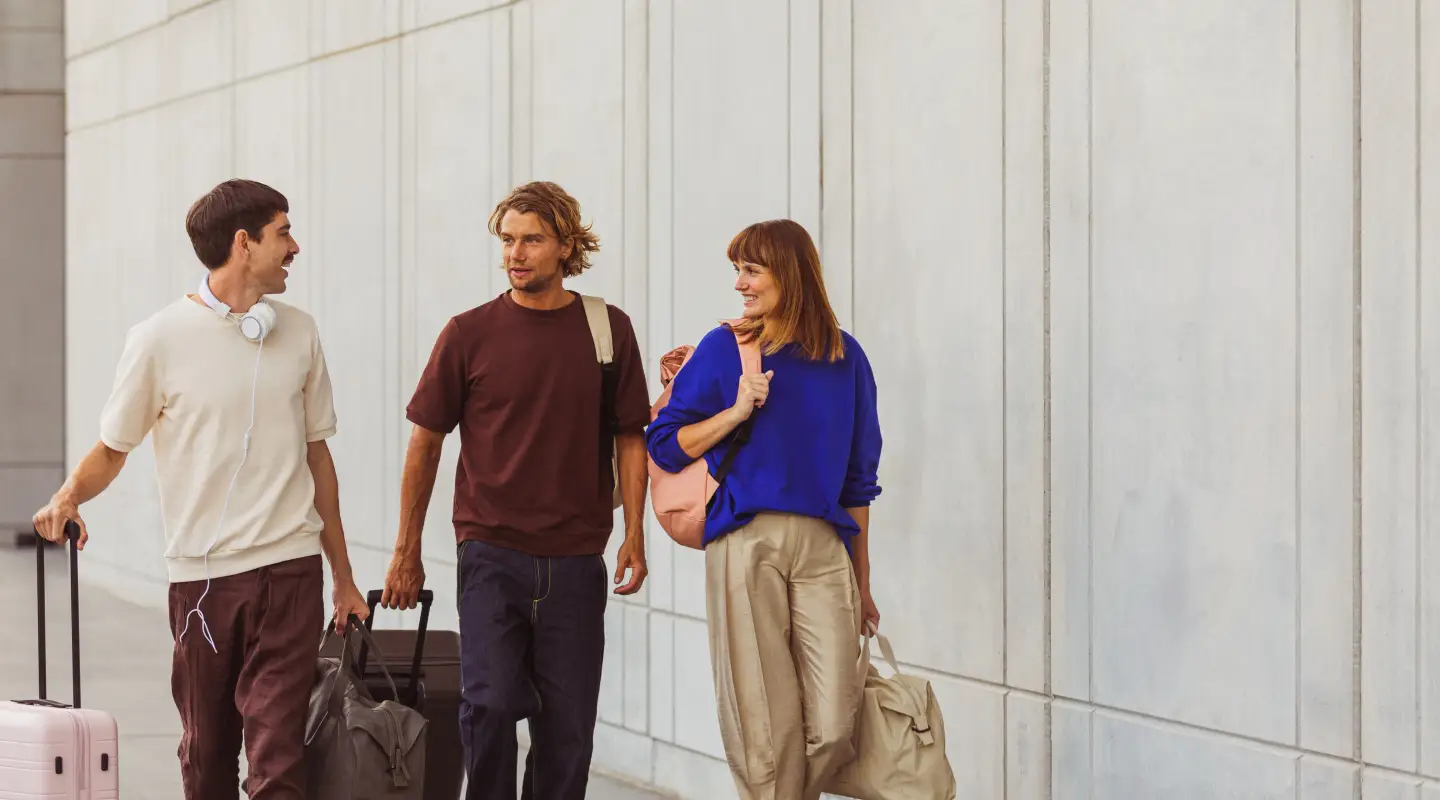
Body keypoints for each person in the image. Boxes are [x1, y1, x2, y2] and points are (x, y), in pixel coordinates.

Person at [31, 178, 369, 800]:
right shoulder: (158, 338)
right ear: (244, 243)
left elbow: (318, 456)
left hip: (291, 571)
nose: (295, 246)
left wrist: (342, 575)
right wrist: (68, 496)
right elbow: (114, 447)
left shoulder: (299, 332)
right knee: (207, 754)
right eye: (283, 232)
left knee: (278, 758)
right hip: (203, 583)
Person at [379, 181, 652, 800]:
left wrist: (635, 533)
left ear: (565, 246)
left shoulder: (607, 330)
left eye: (533, 239)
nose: (516, 253)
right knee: (492, 706)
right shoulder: (468, 333)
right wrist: (406, 549)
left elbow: (632, 437)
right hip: (491, 554)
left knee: (568, 730)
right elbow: (425, 444)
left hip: (578, 559)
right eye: (507, 239)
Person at [645, 219, 883, 800]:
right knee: (764, 726)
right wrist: (733, 413)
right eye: (738, 271)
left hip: (826, 545)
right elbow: (664, 444)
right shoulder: (726, 347)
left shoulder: (845, 357)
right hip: (745, 539)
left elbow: (859, 478)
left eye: (751, 270)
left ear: (791, 274)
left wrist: (863, 577)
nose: (740, 285)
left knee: (834, 724)